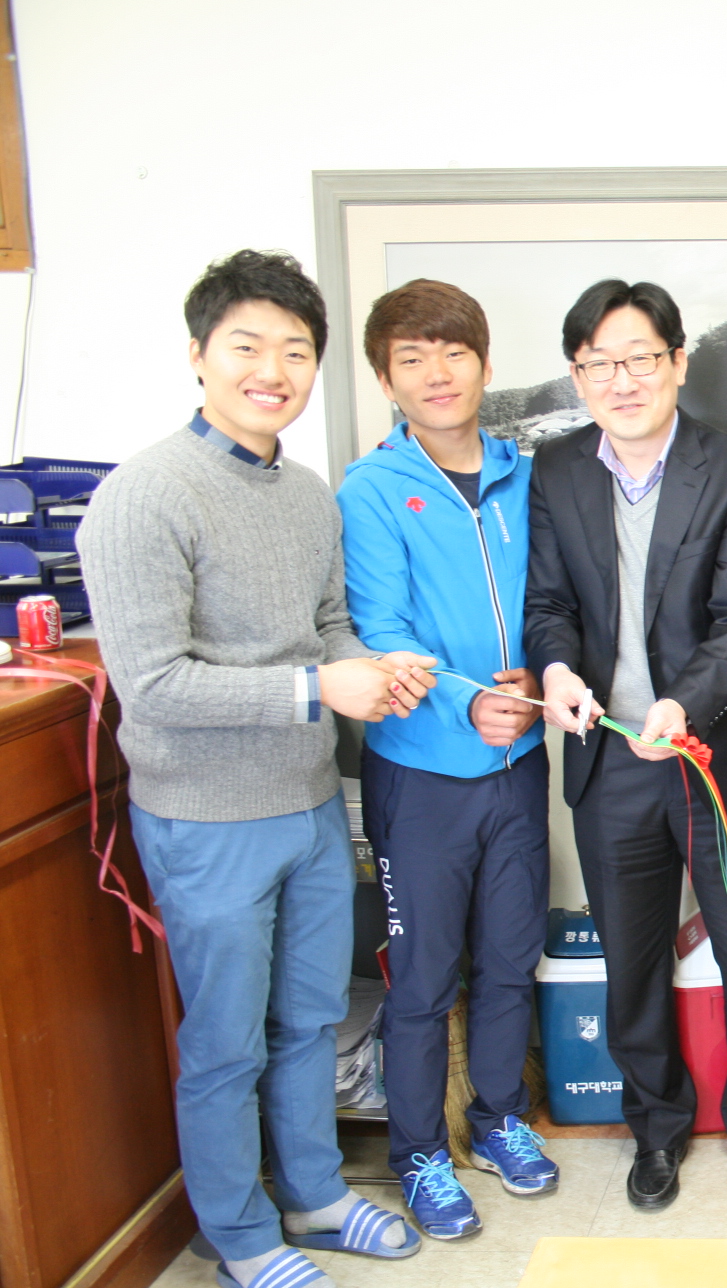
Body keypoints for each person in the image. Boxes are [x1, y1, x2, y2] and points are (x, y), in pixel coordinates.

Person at [77, 250, 432, 1288]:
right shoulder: (142, 496)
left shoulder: (308, 494)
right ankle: (238, 1235)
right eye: (247, 346)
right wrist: (322, 689)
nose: (272, 370)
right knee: (226, 1042)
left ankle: (315, 1196)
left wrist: (377, 667)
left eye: (295, 350)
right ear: (199, 354)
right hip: (204, 817)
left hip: (310, 803)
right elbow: (155, 686)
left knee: (313, 1020)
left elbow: (329, 626)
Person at [524, 279, 727, 1213]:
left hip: (714, 761)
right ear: (577, 376)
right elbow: (549, 603)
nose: (622, 379)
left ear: (678, 362)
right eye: (599, 363)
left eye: (640, 357)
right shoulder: (558, 470)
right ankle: (656, 1125)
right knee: (631, 963)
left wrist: (683, 704)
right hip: (608, 764)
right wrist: (557, 670)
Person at [336, 279, 557, 1239]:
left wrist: (545, 673)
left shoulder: (526, 477)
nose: (436, 373)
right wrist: (472, 701)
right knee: (423, 978)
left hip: (521, 765)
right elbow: (381, 633)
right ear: (386, 378)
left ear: (485, 364)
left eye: (453, 352)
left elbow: (558, 604)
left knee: (510, 958)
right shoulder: (371, 490)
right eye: (411, 358)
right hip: (421, 773)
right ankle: (420, 1152)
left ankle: (499, 1118)